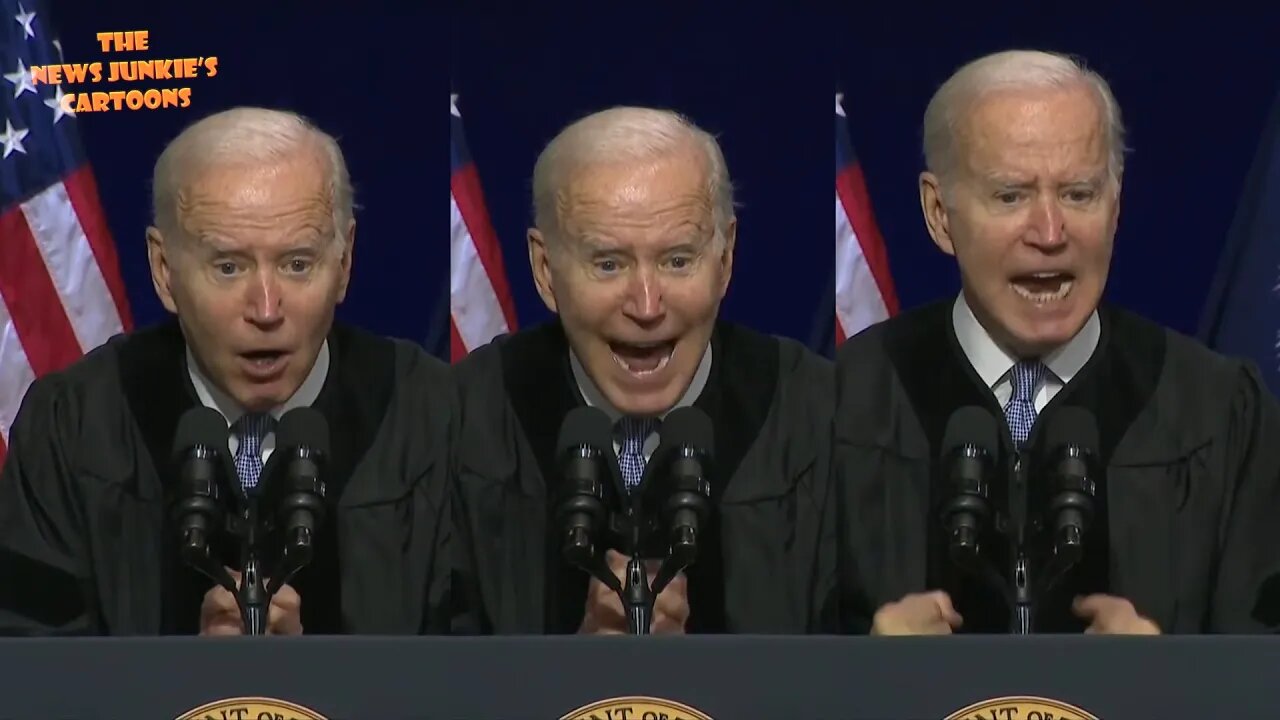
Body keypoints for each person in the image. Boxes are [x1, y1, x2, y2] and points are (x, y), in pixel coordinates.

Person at [827, 49, 1280, 635]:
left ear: (1116, 207)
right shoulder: (839, 408)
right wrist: (859, 671)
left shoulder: (1219, 413)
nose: (1049, 232)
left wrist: (1174, 679)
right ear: (939, 214)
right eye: (1011, 195)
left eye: (1078, 194)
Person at [0, 107, 454, 636]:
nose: (266, 309)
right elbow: (31, 667)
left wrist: (324, 673)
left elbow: (480, 670)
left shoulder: (436, 419)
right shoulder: (75, 426)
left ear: (345, 261)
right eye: (229, 267)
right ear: (164, 271)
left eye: (297, 264)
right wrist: (188, 676)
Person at [451, 106, 834, 634]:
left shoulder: (823, 421)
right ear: (545, 270)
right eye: (609, 264)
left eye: (678, 260)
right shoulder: (460, 426)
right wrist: (565, 672)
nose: (648, 305)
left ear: (725, 261)